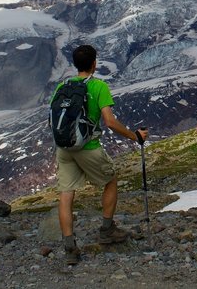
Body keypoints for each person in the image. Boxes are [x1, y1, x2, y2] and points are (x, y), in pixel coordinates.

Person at [51, 44, 148, 265]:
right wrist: (135, 136)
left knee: (66, 194)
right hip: (87, 147)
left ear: (75, 64)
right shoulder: (98, 86)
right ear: (94, 63)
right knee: (110, 179)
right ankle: (107, 230)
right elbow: (110, 122)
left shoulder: (62, 86)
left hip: (64, 148)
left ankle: (69, 247)